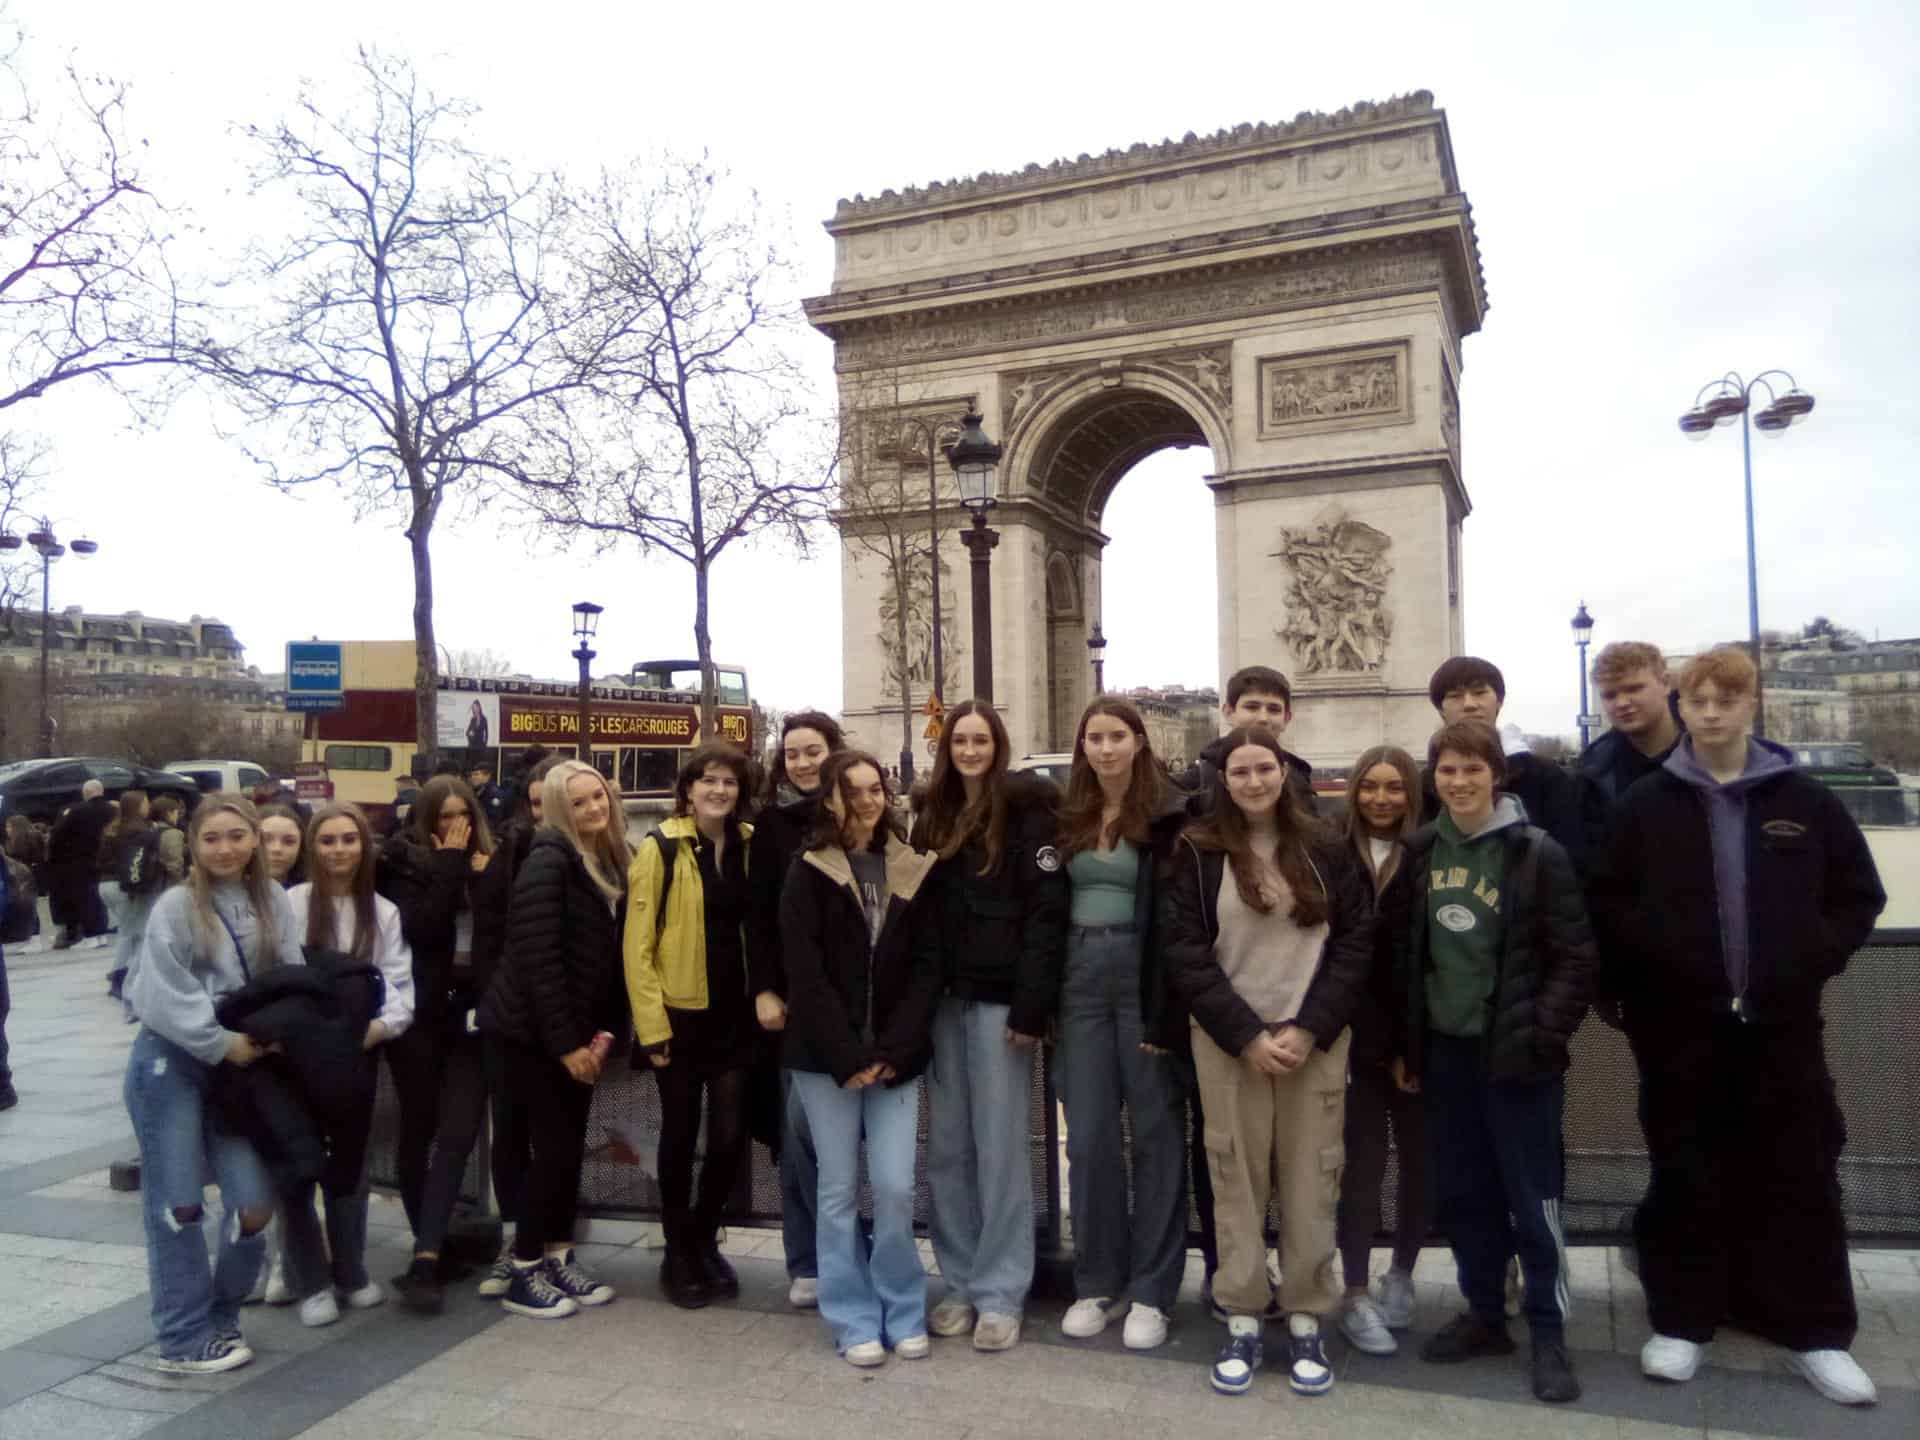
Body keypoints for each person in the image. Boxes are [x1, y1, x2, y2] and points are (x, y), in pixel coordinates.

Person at [1587, 648, 1886, 1406]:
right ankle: (1684, 1322)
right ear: (1682, 707)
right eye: (1699, 700)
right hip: (1679, 1029)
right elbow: (1607, 910)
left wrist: (1809, 959)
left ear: (1753, 705)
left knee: (1803, 1175)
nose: (1712, 712)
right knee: (1686, 1172)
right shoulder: (1644, 806)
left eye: (1728, 699)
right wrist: (1640, 988)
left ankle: (1818, 1333)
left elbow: (1858, 896)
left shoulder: (1809, 801)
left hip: (1782, 1026)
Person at [1376, 720, 1595, 1405]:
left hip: (1518, 1055)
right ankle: (1484, 1313)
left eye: (1473, 769)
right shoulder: (1417, 854)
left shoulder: (1536, 853)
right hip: (1444, 1053)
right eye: (1447, 770)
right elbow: (1403, 958)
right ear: (1433, 778)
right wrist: (1407, 1049)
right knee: (1465, 1194)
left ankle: (1549, 1329)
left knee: (1534, 1198)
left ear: (1495, 775)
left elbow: (1575, 958)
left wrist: (1541, 1035)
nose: (1460, 782)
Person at [1162, 725, 1371, 1400]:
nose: (1254, 781)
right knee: (1235, 1181)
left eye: (1265, 768)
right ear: (1222, 781)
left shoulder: (1328, 844)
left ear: (1285, 772)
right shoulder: (1196, 850)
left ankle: (1308, 1309)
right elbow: (1186, 950)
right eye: (1241, 771)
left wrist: (1310, 1029)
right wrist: (1248, 1034)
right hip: (1231, 1044)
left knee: (1314, 1180)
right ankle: (1244, 1313)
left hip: (1313, 1043)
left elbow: (1356, 942)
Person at [122, 794, 303, 1374]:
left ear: (254, 838)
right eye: (211, 838)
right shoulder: (176, 906)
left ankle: (221, 1319)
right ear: (194, 846)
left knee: (252, 1204)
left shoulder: (272, 898)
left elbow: (289, 977)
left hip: (243, 1069)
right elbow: (160, 992)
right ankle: (181, 1337)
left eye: (236, 835)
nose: (225, 848)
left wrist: (280, 1032)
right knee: (178, 1206)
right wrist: (223, 1041)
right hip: (169, 1063)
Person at [911, 700, 1068, 1353]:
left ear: (998, 746)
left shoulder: (1031, 809)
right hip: (942, 1001)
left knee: (1001, 1149)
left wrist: (1032, 1004)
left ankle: (1002, 1290)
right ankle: (960, 1279)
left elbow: (1046, 910)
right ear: (947, 748)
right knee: (947, 1149)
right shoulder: (930, 814)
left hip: (1002, 1000)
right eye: (960, 740)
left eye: (980, 740)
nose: (969, 749)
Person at [779, 750, 942, 1367]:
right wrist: (847, 1053)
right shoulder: (807, 870)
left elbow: (929, 967)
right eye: (855, 792)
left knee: (897, 1188)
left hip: (896, 1058)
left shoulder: (912, 866)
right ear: (831, 800)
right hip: (827, 1061)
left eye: (877, 789)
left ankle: (902, 1306)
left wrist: (894, 1050)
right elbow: (805, 972)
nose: (870, 801)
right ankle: (851, 1317)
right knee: (839, 1192)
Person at [1051, 696, 1193, 1352]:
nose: (1104, 748)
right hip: (1078, 977)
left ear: (1139, 741)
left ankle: (1154, 1287)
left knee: (1158, 1135)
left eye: (1116, 736)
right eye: (1094, 737)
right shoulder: (1066, 812)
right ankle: (1097, 1280)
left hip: (1143, 973)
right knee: (1088, 1139)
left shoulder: (1172, 813)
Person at [477, 760, 629, 1319]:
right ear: (562, 808)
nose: (594, 808)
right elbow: (542, 963)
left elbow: (604, 962)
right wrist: (569, 1045)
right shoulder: (549, 859)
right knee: (551, 1151)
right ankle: (523, 1268)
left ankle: (558, 1254)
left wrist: (603, 1035)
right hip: (528, 1035)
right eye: (582, 801)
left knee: (565, 1152)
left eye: (600, 797)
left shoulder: (604, 857)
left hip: (571, 1033)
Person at [627, 743, 759, 1309]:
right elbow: (638, 948)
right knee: (681, 1136)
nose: (719, 791)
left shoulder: (752, 846)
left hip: (737, 1016)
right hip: (681, 1016)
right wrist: (652, 1026)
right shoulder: (659, 848)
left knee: (730, 1139)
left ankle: (704, 1238)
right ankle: (677, 1250)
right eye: (709, 781)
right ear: (688, 789)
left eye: (729, 782)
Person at [282, 803, 416, 1328]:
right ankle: (308, 1277)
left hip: (357, 1057)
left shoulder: (382, 912)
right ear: (312, 848)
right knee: (296, 1168)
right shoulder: (290, 905)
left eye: (349, 840)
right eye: (328, 840)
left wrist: (377, 1029)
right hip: (297, 1060)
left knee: (350, 1170)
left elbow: (399, 987)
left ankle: (351, 1269)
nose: (339, 850)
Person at [378, 777, 499, 1314]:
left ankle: (431, 1251)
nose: (454, 827)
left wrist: (486, 877)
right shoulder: (401, 867)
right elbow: (422, 929)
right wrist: (450, 864)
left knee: (458, 1132)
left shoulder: (490, 861)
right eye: (443, 817)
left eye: (462, 815)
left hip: (472, 1015)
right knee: (419, 1127)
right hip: (423, 1015)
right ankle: (427, 1248)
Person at [1333, 745, 1429, 1357]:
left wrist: (1409, 1048)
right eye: (1370, 786)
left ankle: (1402, 1275)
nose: (1382, 799)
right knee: (1360, 1169)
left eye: (1395, 788)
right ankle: (1357, 1291)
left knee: (1423, 1166)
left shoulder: (1430, 856)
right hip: (1352, 1040)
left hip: (1417, 1041)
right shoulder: (1332, 852)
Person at [747, 711, 845, 1310]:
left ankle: (837, 1248)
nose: (803, 763)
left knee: (842, 1139)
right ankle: (807, 1256)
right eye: (792, 754)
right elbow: (757, 919)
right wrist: (765, 989)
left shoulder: (862, 817)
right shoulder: (772, 827)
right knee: (799, 1134)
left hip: (852, 1002)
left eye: (813, 751)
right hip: (793, 1002)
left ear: (834, 752)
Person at [472, 752, 562, 1301]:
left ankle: (547, 1247)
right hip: (514, 1019)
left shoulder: (602, 854)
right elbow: (491, 940)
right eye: (537, 803)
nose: (546, 813)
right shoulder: (512, 856)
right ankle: (520, 1247)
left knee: (555, 1142)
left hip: (557, 1022)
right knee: (511, 1134)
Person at [1423, 658, 1584, 865]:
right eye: (1455, 696)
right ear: (1440, 710)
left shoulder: (1546, 775)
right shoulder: (1425, 785)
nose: (1470, 704)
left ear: (1499, 701)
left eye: (1480, 693)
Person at [1178, 666, 1318, 815]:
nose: (1263, 718)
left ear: (1286, 719)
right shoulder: (1194, 783)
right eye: (1252, 707)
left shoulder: (1300, 779)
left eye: (1274, 709)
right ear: (1229, 713)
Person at [1577, 641, 1683, 833]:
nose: (1622, 703)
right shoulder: (1592, 771)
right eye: (1610, 696)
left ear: (1665, 683)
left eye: (1634, 689)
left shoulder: (1710, 747)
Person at [109, 793, 188, 1007]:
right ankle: (126, 980)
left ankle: (121, 975)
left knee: (130, 933)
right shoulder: (149, 831)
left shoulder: (117, 829)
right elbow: (174, 864)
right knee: (143, 936)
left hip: (122, 883)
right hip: (146, 887)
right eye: (144, 802)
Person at [49, 778, 115, 947]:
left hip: (82, 862)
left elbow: (58, 836)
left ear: (85, 794)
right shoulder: (113, 810)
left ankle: (93, 935)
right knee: (102, 897)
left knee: (88, 899)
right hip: (110, 860)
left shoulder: (77, 812)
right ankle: (104, 931)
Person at [469, 764, 510, 830]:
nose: (473, 777)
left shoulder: (494, 794)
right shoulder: (478, 791)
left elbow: (494, 819)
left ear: (487, 776)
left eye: (476, 774)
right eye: (472, 775)